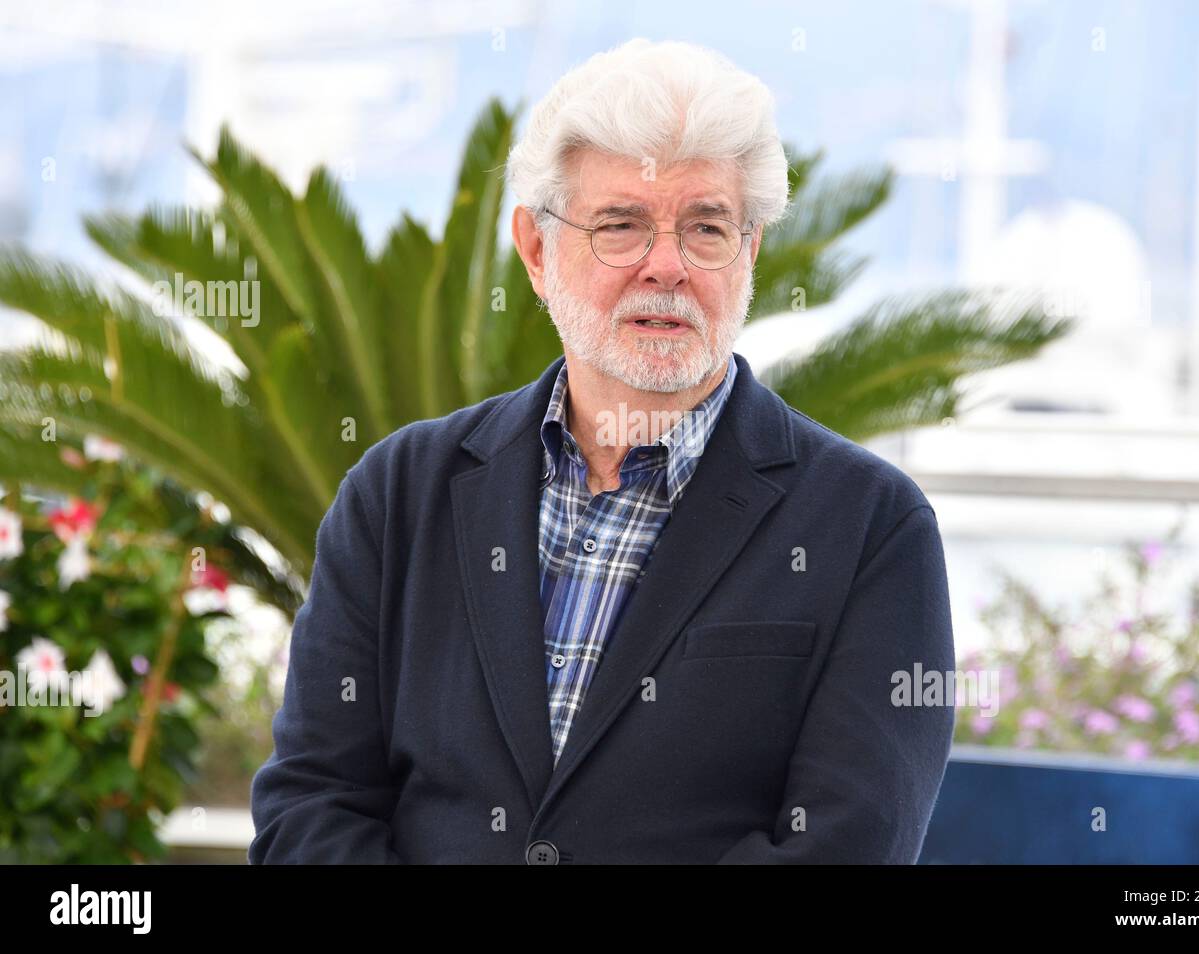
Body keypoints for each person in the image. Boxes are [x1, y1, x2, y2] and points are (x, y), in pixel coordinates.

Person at [249, 37, 955, 865]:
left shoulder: (870, 526)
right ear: (538, 251)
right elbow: (311, 805)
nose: (668, 265)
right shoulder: (399, 492)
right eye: (621, 226)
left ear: (751, 251)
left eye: (707, 227)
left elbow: (847, 847)